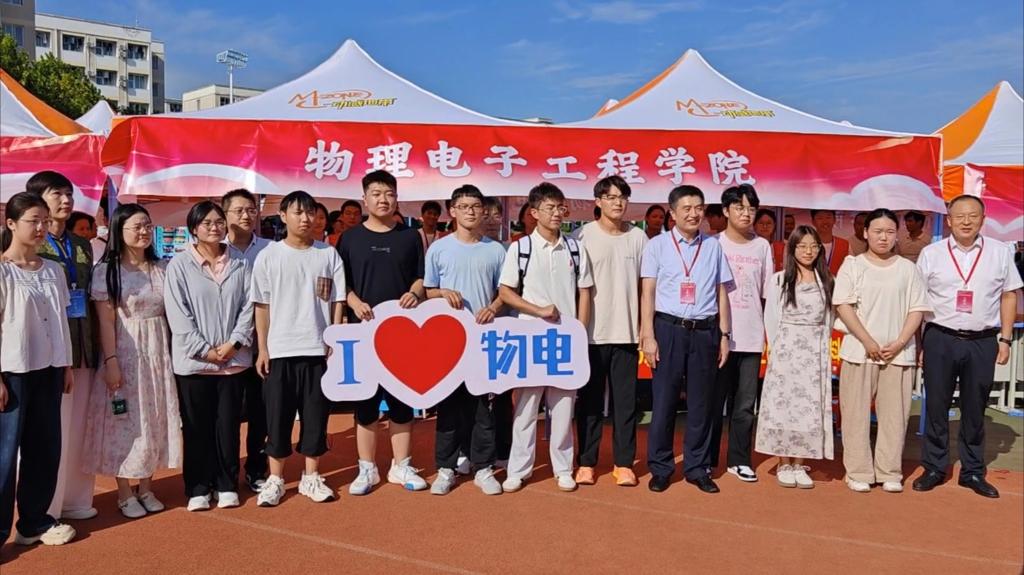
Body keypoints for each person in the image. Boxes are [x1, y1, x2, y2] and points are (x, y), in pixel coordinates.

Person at [913, 195, 1022, 498]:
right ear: (948, 220)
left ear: (982, 220)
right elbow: (917, 301)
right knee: (936, 405)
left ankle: (972, 471)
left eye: (973, 216)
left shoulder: (999, 252)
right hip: (940, 337)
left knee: (975, 407)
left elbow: (1009, 295)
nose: (966, 221)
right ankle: (934, 467)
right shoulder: (931, 254)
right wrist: (919, 343)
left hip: (982, 341)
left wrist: (1005, 339)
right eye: (959, 216)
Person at [83, 203, 182, 519]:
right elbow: (105, 321)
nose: (144, 232)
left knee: (154, 418)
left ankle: (147, 487)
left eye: (147, 226)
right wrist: (111, 360)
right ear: (119, 230)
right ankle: (125, 492)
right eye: (137, 226)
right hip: (125, 353)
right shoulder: (107, 272)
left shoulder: (162, 268)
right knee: (124, 422)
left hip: (158, 354)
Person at [251, 191, 345, 507]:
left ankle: (311, 476)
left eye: (310, 213)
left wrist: (333, 338)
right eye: (297, 212)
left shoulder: (328, 254)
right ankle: (276, 479)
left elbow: (337, 300)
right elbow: (261, 305)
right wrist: (263, 348)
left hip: (317, 349)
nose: (305, 219)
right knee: (277, 418)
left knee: (315, 416)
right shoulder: (269, 256)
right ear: (283, 216)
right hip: (280, 350)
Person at [498, 183, 593, 493]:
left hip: (565, 340)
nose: (557, 213)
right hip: (530, 338)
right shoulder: (520, 248)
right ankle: (518, 469)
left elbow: (584, 293)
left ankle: (563, 468)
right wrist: (538, 310)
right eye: (550, 208)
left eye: (560, 207)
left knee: (564, 407)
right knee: (526, 407)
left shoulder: (575, 248)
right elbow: (505, 292)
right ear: (534, 212)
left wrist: (579, 332)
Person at [339, 170, 429, 495]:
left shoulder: (410, 236)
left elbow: (421, 277)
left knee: (402, 401)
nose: (383, 199)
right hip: (363, 334)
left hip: (403, 333)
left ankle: (401, 465)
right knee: (366, 403)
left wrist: (414, 293)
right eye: (376, 193)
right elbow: (341, 283)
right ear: (364, 199)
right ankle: (367, 468)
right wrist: (354, 302)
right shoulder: (350, 239)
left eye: (389, 193)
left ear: (397, 198)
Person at [640, 185, 732, 494]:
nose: (694, 214)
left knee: (701, 404)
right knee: (664, 402)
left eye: (698, 208)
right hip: (668, 329)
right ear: (673, 213)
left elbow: (721, 292)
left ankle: (697, 467)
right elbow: (648, 293)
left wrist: (724, 334)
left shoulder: (713, 246)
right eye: (687, 208)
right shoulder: (657, 246)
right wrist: (648, 335)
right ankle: (661, 467)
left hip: (705, 331)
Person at [165, 201, 254, 511]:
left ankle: (227, 483)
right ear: (194, 229)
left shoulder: (240, 262)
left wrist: (234, 344)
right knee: (196, 427)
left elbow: (249, 307)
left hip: (233, 362)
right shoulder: (179, 265)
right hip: (194, 364)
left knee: (228, 426)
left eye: (219, 222)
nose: (215, 227)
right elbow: (178, 314)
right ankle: (198, 487)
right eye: (207, 223)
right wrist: (205, 350)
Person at [834, 208, 930, 493]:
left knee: (894, 416)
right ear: (865, 233)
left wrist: (900, 342)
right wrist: (867, 341)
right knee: (855, 414)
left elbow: (917, 309)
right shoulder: (852, 265)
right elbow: (843, 305)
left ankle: (889, 470)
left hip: (898, 354)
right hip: (859, 351)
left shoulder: (907, 269)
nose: (883, 237)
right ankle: (858, 471)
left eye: (889, 232)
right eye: (877, 231)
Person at [0, 192, 77, 548]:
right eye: (33, 221)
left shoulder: (53, 270)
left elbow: (60, 320)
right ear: (11, 223)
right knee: (4, 454)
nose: (41, 228)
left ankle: (34, 521)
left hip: (49, 368)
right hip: (12, 371)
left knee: (45, 447)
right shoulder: (3, 271)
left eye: (45, 221)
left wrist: (66, 365)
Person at [423, 185, 507, 496]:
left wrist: (493, 308)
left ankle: (483, 467)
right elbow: (428, 290)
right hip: (447, 340)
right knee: (448, 406)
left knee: (483, 407)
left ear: (484, 211)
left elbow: (505, 292)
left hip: (483, 339)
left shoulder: (496, 250)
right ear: (452, 211)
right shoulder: (439, 249)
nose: (470, 211)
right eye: (464, 206)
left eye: (475, 206)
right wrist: (443, 292)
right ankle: (446, 467)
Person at [27, 171, 100, 522]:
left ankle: (76, 499)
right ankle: (47, 508)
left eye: (69, 194)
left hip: (84, 346)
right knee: (50, 430)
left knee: (80, 427)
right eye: (57, 194)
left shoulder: (81, 244)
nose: (67, 200)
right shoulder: (28, 243)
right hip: (49, 351)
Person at [574, 176, 647, 487]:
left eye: (623, 197)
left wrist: (645, 327)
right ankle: (586, 462)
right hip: (591, 334)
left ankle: (623, 463)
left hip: (627, 334)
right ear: (598, 202)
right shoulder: (581, 236)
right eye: (611, 197)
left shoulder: (639, 238)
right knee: (589, 403)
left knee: (626, 404)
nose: (618, 202)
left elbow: (646, 287)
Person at [756, 225, 835, 488]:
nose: (808, 251)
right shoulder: (780, 280)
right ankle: (783, 462)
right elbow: (771, 318)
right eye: (802, 246)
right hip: (786, 350)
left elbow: (830, 319)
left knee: (809, 408)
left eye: (813, 246)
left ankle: (800, 462)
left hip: (815, 352)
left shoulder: (828, 281)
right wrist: (777, 349)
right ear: (792, 249)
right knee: (784, 406)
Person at [709, 184, 774, 483]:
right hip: (717, 336)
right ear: (725, 211)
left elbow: (767, 294)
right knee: (713, 401)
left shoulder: (762, 246)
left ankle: (739, 459)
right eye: (739, 208)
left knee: (745, 404)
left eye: (751, 209)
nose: (746, 214)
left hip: (750, 336)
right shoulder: (713, 244)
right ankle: (708, 459)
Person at [222, 188, 271, 493]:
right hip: (226, 347)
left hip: (263, 344)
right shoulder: (214, 250)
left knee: (261, 412)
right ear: (224, 214)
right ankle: (225, 473)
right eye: (238, 210)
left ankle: (256, 469)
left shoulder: (270, 249)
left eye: (251, 210)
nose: (246, 216)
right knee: (226, 415)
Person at [811, 209, 849, 276]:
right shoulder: (807, 245)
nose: (825, 221)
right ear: (813, 221)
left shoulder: (844, 244)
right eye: (820, 218)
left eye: (828, 217)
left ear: (834, 220)